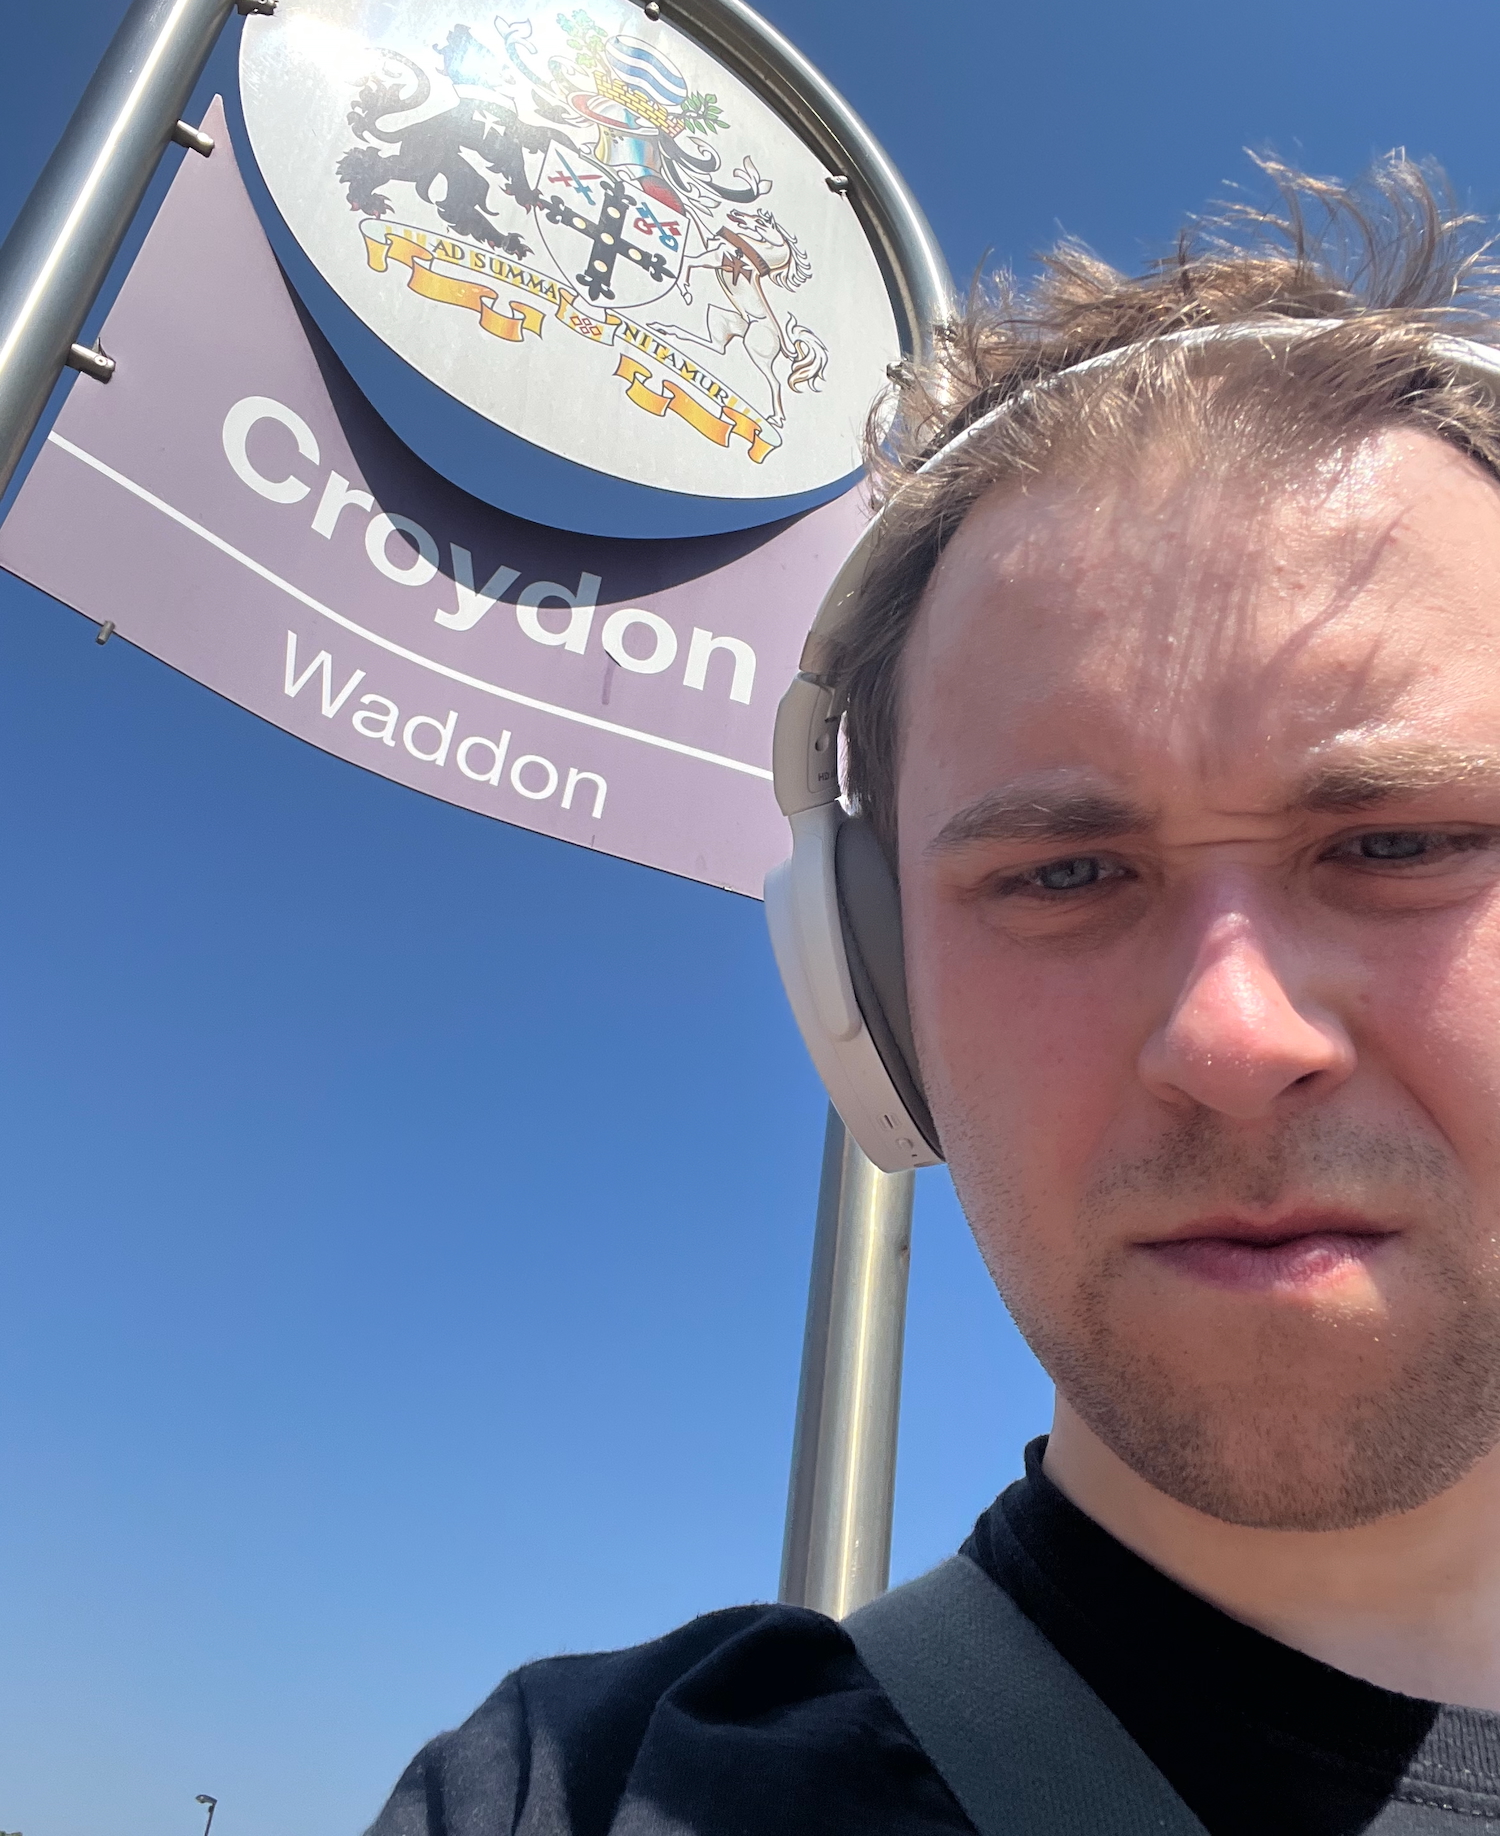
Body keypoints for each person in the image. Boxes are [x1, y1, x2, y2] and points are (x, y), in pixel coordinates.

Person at [368, 156, 1500, 1834]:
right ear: (873, 1001)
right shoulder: (573, 1797)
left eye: (1398, 841)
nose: (1235, 1038)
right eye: (1061, 875)